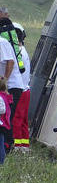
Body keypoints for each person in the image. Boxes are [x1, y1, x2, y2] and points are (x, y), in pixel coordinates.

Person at [0, 35, 24, 153]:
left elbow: (10, 61)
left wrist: (5, 80)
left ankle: (7, 146)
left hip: (11, 86)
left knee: (7, 116)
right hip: (4, 86)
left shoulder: (2, 42)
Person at [12, 22, 30, 151]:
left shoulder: (18, 53)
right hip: (26, 90)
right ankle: (24, 145)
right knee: (22, 119)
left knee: (16, 119)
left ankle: (17, 146)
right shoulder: (23, 50)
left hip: (20, 90)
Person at [0, 76, 12, 164]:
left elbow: (2, 110)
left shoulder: (1, 97)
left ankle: (1, 161)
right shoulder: (4, 96)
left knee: (1, 144)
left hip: (1, 124)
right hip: (3, 124)